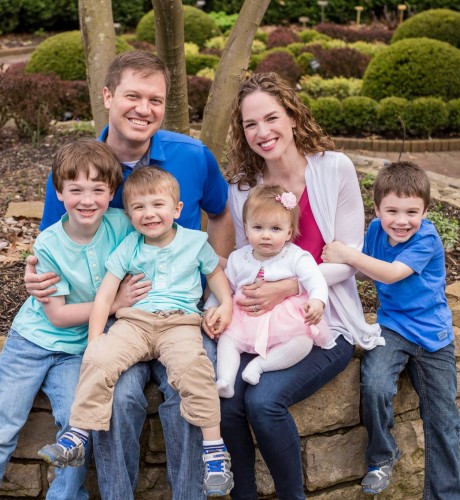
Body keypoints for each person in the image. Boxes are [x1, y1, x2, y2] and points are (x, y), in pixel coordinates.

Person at [24, 50, 234, 500]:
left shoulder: (192, 155)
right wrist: (36, 275)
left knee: (188, 396)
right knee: (118, 398)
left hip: (184, 314)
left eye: (155, 99)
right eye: (133, 96)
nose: (144, 109)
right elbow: (53, 242)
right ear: (107, 96)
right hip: (125, 318)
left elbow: (221, 214)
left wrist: (218, 289)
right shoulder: (80, 168)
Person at [220, 71, 383, 499]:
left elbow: (346, 261)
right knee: (227, 399)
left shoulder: (335, 169)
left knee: (262, 402)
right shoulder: (242, 189)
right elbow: (243, 260)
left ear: (292, 116)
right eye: (250, 124)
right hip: (258, 326)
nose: (262, 132)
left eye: (271, 118)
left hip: (326, 325)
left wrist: (290, 285)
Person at [39, 167, 234, 497]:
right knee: (100, 359)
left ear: (177, 209)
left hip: (179, 324)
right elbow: (105, 296)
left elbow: (216, 275)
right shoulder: (129, 245)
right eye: (139, 208)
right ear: (129, 215)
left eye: (158, 205)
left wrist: (226, 304)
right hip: (135, 323)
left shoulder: (195, 242)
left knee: (194, 371)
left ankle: (215, 452)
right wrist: (95, 338)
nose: (149, 214)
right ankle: (77, 434)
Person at [0, 139, 134, 500]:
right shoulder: (48, 244)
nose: (87, 200)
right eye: (75, 189)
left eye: (98, 190)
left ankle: (64, 497)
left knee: (77, 424)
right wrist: (116, 302)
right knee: (3, 423)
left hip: (78, 351)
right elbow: (57, 316)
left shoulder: (122, 227)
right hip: (31, 342)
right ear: (59, 192)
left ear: (112, 193)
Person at [322, 161, 460, 498]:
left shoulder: (426, 237)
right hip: (393, 328)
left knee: (443, 422)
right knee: (376, 386)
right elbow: (368, 271)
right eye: (392, 210)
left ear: (426, 211)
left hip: (433, 337)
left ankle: (446, 495)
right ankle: (382, 456)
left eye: (412, 211)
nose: (401, 220)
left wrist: (345, 254)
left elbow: (389, 273)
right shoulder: (373, 232)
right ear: (377, 208)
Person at [204, 184, 333, 399]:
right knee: (227, 340)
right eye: (258, 228)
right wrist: (212, 308)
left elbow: (315, 279)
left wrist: (317, 301)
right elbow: (224, 287)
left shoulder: (295, 256)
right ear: (245, 229)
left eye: (275, 229)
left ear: (289, 232)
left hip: (283, 321)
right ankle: (225, 379)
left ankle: (261, 365)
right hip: (245, 319)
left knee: (303, 341)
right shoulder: (238, 259)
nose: (266, 236)